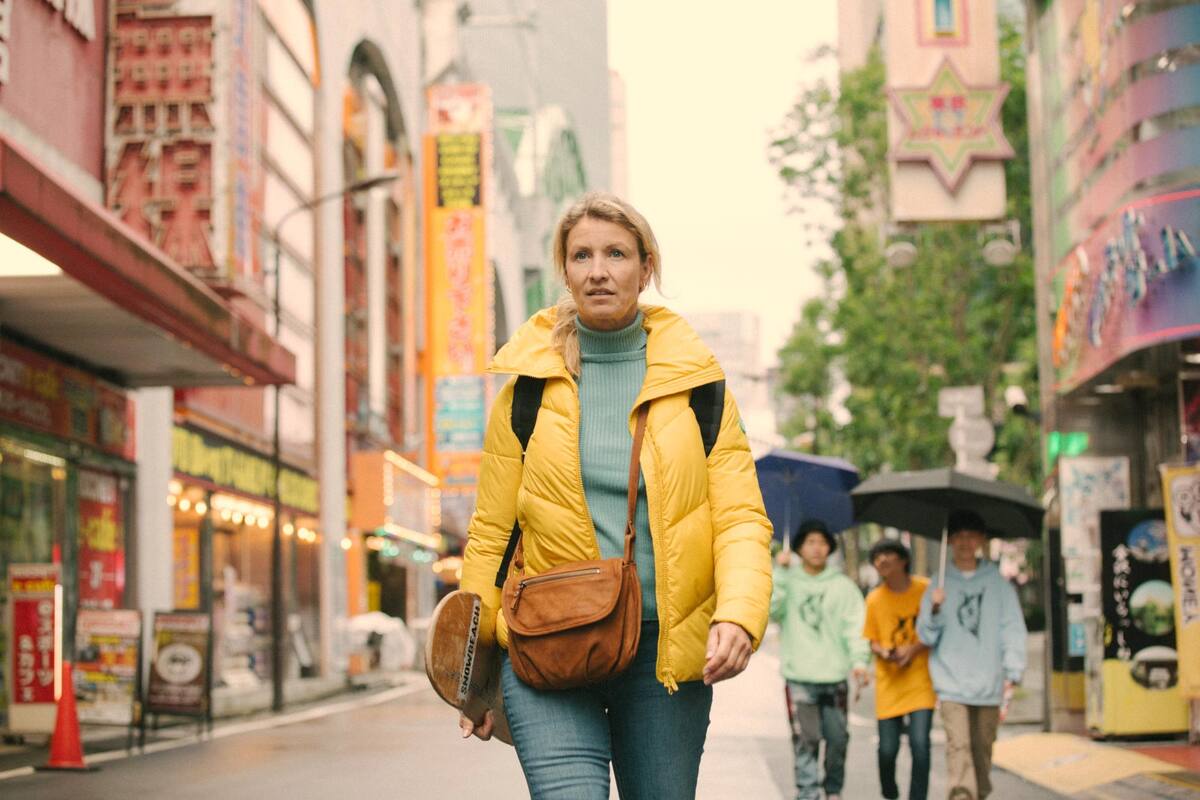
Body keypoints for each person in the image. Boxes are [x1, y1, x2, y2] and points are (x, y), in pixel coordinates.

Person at [456, 191, 774, 799]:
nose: (598, 269)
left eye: (616, 253)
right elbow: (492, 536)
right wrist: (473, 675)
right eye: (582, 255)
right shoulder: (525, 390)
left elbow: (738, 517)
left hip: (663, 655)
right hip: (547, 646)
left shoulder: (697, 387)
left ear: (645, 267)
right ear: (566, 271)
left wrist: (738, 613)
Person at [916, 510, 1027, 800]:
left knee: (981, 751)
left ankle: (979, 794)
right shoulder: (938, 582)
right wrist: (935, 609)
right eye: (959, 536)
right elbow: (925, 635)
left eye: (971, 535)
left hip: (989, 682)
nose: (965, 542)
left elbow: (1013, 628)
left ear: (981, 539)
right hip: (951, 682)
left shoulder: (998, 583)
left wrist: (1013, 671)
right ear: (950, 540)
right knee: (959, 747)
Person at [771, 518, 870, 800]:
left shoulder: (843, 586)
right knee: (806, 741)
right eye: (810, 542)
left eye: (822, 542)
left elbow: (856, 625)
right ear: (800, 546)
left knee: (838, 740)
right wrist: (780, 572)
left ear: (830, 547)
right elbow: (770, 611)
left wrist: (860, 661)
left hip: (835, 677)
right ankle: (807, 794)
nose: (817, 548)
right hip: (799, 676)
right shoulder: (787, 578)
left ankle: (833, 790)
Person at [863, 538, 935, 800]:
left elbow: (936, 630)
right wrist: (883, 651)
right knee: (887, 751)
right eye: (877, 557)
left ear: (903, 559)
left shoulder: (926, 590)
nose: (881, 560)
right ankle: (890, 793)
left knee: (920, 746)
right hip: (889, 682)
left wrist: (913, 650)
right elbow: (871, 638)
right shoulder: (873, 599)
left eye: (888, 555)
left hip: (920, 682)